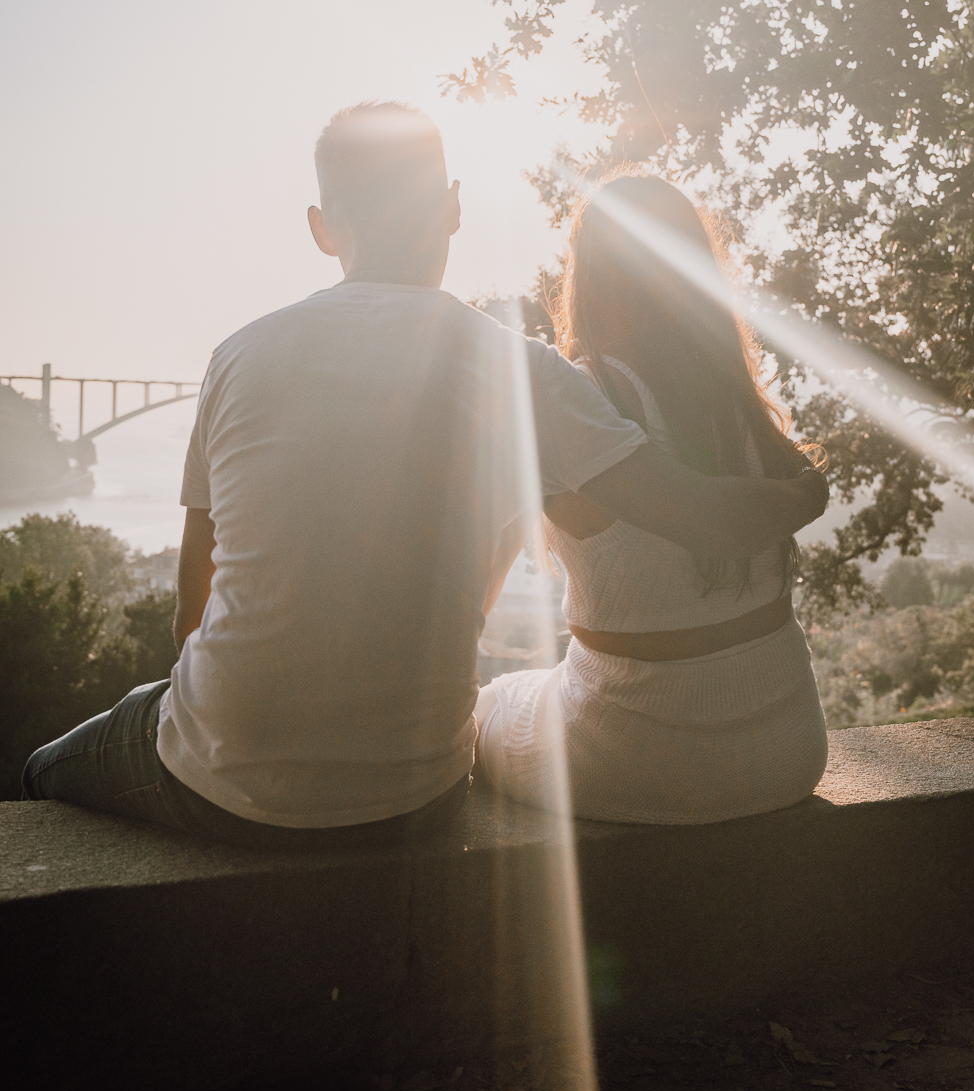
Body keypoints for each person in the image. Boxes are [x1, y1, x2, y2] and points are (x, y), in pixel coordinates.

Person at [22, 107, 829, 849]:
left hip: (223, 780)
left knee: (44, 770)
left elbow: (189, 613)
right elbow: (691, 513)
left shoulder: (236, 354)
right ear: (451, 208)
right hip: (418, 795)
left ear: (322, 229)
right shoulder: (528, 374)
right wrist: (808, 488)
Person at [476, 172, 830, 825]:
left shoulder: (580, 396)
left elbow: (478, 561)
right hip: (789, 751)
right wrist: (812, 489)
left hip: (634, 758)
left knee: (487, 704)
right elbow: (801, 485)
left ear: (586, 275)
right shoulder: (734, 396)